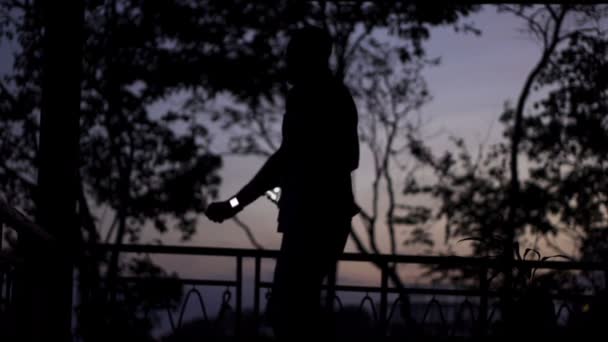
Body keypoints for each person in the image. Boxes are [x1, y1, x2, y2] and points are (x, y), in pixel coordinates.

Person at [205, 26, 360, 339]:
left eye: (293, 54)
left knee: (289, 311)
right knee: (294, 309)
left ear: (309, 58)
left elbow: (287, 159)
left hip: (316, 221)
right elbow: (297, 159)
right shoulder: (326, 94)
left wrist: (234, 204)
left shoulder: (312, 95)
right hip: (321, 219)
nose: (287, 60)